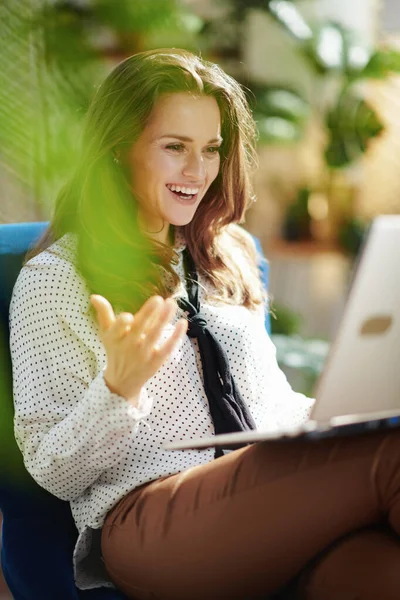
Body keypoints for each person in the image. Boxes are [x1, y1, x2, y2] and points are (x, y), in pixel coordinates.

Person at [9, 48, 400, 600]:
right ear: (119, 150)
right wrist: (118, 388)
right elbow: (54, 472)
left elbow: (270, 403)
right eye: (174, 148)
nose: (197, 172)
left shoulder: (227, 255)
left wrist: (343, 417)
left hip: (261, 500)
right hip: (149, 522)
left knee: (381, 572)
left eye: (211, 150)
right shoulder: (55, 279)